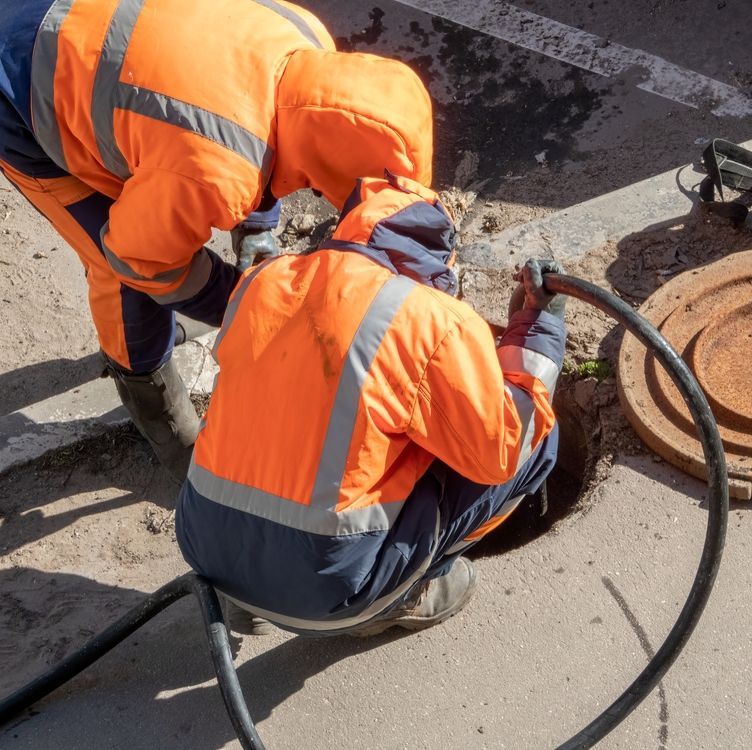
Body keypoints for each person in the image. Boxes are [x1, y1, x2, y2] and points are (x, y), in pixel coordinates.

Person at [0, 0, 433, 480]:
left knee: (166, 198)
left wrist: (257, 235)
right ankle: (156, 409)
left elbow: (263, 130)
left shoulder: (305, 38)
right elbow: (139, 258)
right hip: (23, 82)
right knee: (120, 268)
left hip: (94, 34)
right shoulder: (214, 170)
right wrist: (243, 302)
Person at [175, 173, 565, 635]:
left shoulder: (263, 282)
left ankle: (241, 594)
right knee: (537, 437)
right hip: (329, 587)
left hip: (207, 545)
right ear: (438, 257)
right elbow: (505, 445)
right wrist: (537, 329)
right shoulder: (425, 318)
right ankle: (405, 596)